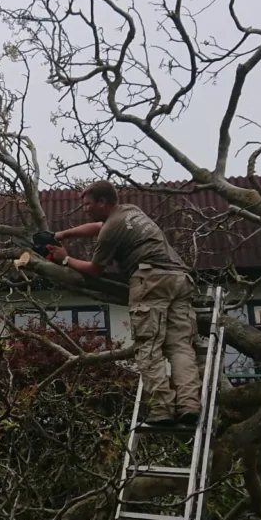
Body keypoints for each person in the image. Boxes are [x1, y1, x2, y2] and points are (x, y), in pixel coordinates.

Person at [47, 180, 201, 427]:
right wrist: (62, 235)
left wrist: (65, 260)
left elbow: (95, 270)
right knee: (180, 346)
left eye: (87, 204)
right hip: (180, 279)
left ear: (102, 202)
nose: (84, 209)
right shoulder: (130, 210)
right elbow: (98, 227)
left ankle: (162, 409)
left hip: (151, 279)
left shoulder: (111, 230)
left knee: (148, 346)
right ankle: (189, 405)